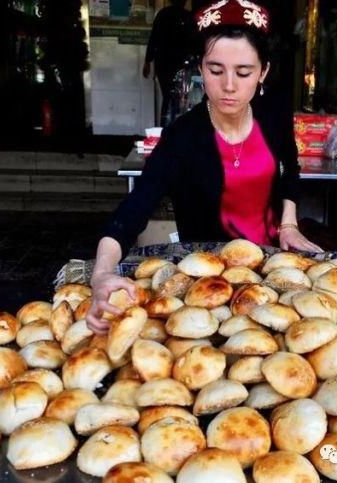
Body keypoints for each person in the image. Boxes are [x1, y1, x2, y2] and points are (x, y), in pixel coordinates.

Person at [87, 0, 322, 335]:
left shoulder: (273, 116)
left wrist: (288, 225)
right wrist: (102, 274)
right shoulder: (183, 136)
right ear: (200, 68)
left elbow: (290, 169)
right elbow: (133, 209)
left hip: (273, 268)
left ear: (263, 72)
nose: (229, 85)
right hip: (207, 283)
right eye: (215, 70)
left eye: (243, 72)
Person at [143, 0, 195, 126]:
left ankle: (165, 126)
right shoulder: (188, 17)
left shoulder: (163, 14)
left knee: (167, 96)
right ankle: (177, 126)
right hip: (183, 64)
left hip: (163, 62)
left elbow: (153, 39)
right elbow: (195, 43)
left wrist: (148, 61)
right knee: (182, 98)